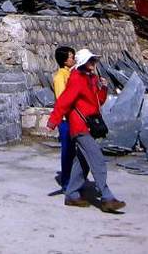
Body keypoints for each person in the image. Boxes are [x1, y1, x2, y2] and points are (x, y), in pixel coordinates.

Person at [47, 48, 125, 213]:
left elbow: (99, 101)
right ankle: (107, 196)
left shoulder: (91, 79)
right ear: (83, 63)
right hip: (80, 126)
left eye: (94, 60)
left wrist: (103, 88)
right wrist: (53, 121)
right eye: (91, 61)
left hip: (90, 125)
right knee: (96, 158)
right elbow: (64, 101)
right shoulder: (76, 79)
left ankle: (72, 194)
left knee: (82, 163)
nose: (94, 63)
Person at [52, 46, 79, 192]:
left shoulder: (72, 74)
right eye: (70, 56)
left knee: (74, 152)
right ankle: (67, 182)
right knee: (67, 151)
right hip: (65, 119)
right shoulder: (60, 77)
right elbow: (63, 99)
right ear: (64, 60)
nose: (72, 58)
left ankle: (73, 180)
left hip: (73, 118)